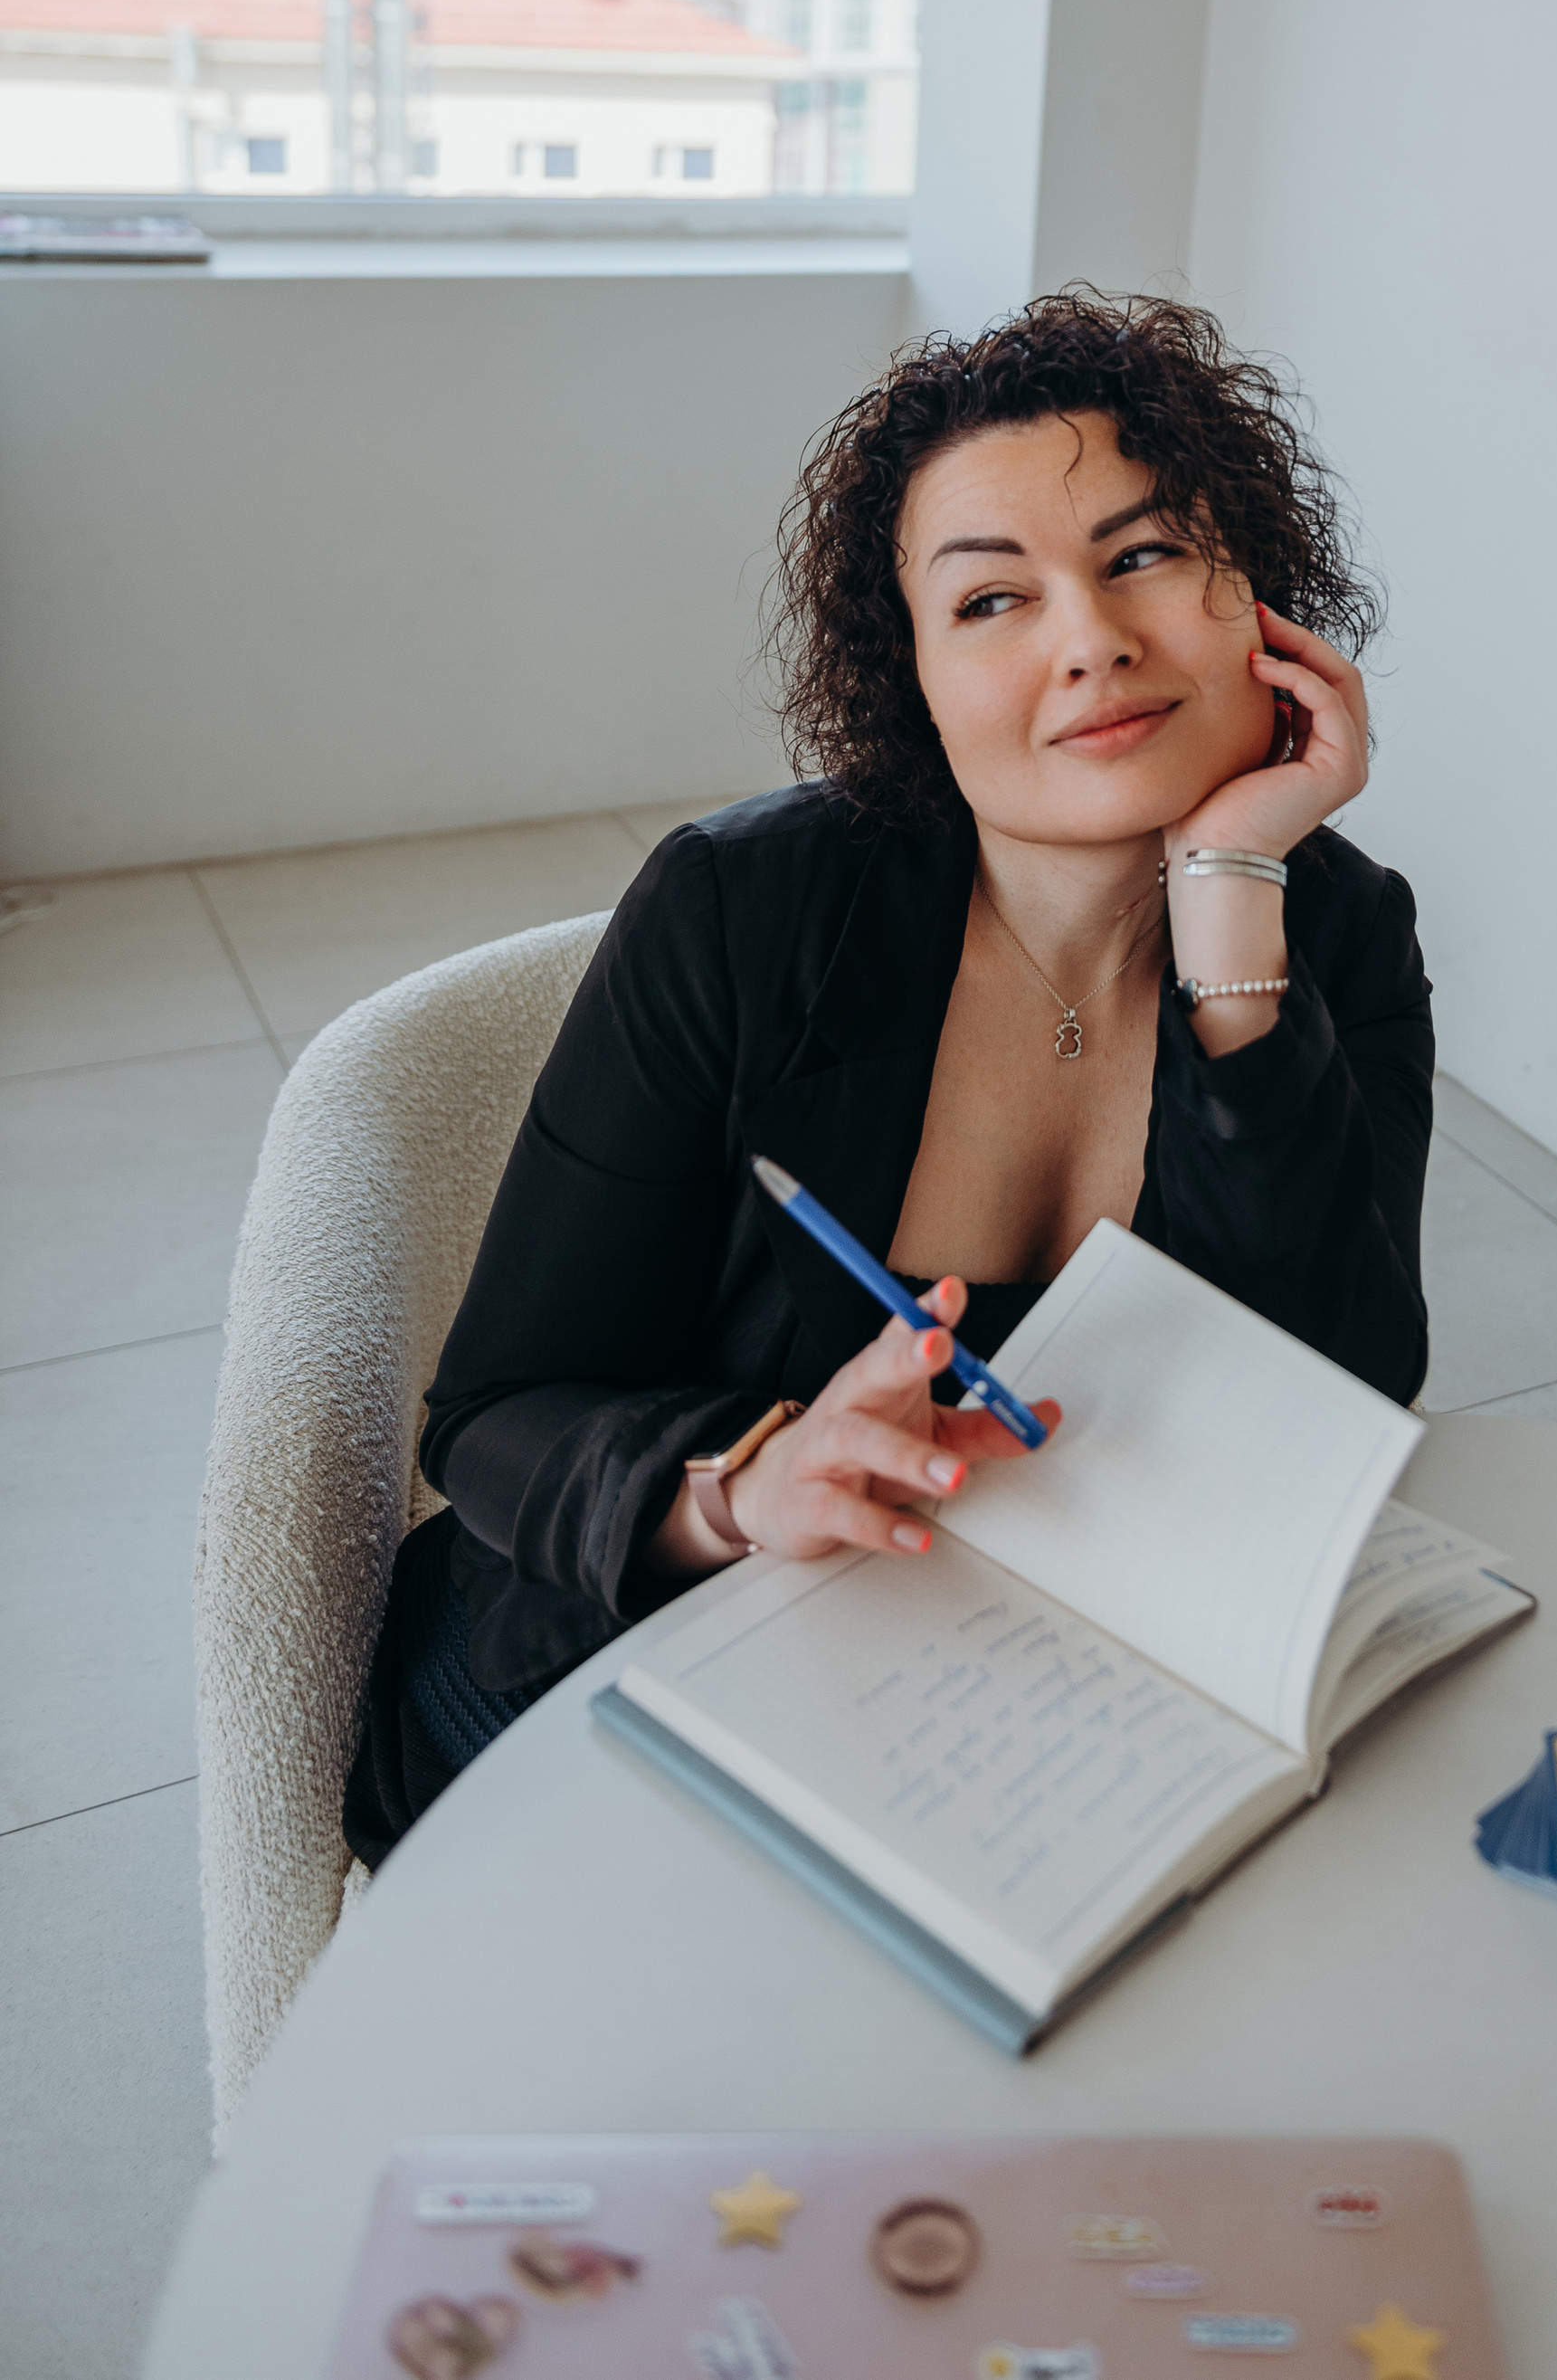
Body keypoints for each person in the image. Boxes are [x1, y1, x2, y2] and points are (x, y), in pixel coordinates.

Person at [344, 290, 1432, 1861]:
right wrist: (740, 1483)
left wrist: (1228, 908)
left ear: (1259, 597)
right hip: (626, 1647)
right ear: (909, 673)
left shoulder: (1333, 924)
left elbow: (1341, 1384)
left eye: (1145, 554)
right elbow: (497, 1412)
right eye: (991, 603)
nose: (1093, 640)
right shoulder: (739, 909)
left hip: (1041, 1685)